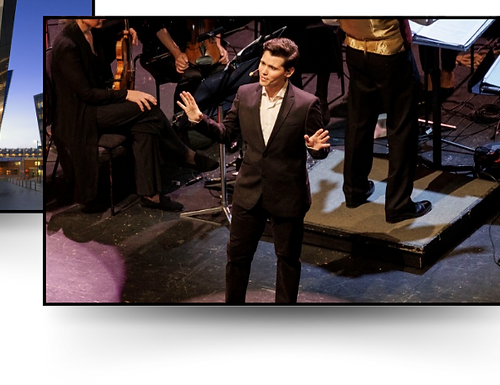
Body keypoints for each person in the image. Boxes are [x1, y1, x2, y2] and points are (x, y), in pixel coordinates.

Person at [177, 38, 331, 303]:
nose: (264, 71)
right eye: (262, 63)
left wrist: (316, 149)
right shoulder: (245, 94)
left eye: (272, 67)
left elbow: (318, 146)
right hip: (249, 192)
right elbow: (227, 134)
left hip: (287, 194)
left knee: (287, 259)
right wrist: (200, 120)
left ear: (289, 71)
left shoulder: (306, 104)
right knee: (237, 257)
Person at [49, 18, 218, 213]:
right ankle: (182, 154)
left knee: (145, 123)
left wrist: (125, 35)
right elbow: (87, 94)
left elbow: (103, 59)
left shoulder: (94, 33)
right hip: (81, 115)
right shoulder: (67, 45)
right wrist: (127, 94)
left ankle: (151, 195)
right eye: (98, 14)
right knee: (147, 108)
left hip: (97, 105)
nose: (103, 17)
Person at [322, 16, 433, 223]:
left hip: (355, 49)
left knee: (358, 121)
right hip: (391, 54)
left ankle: (355, 191)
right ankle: (398, 205)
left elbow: (328, 19)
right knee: (401, 128)